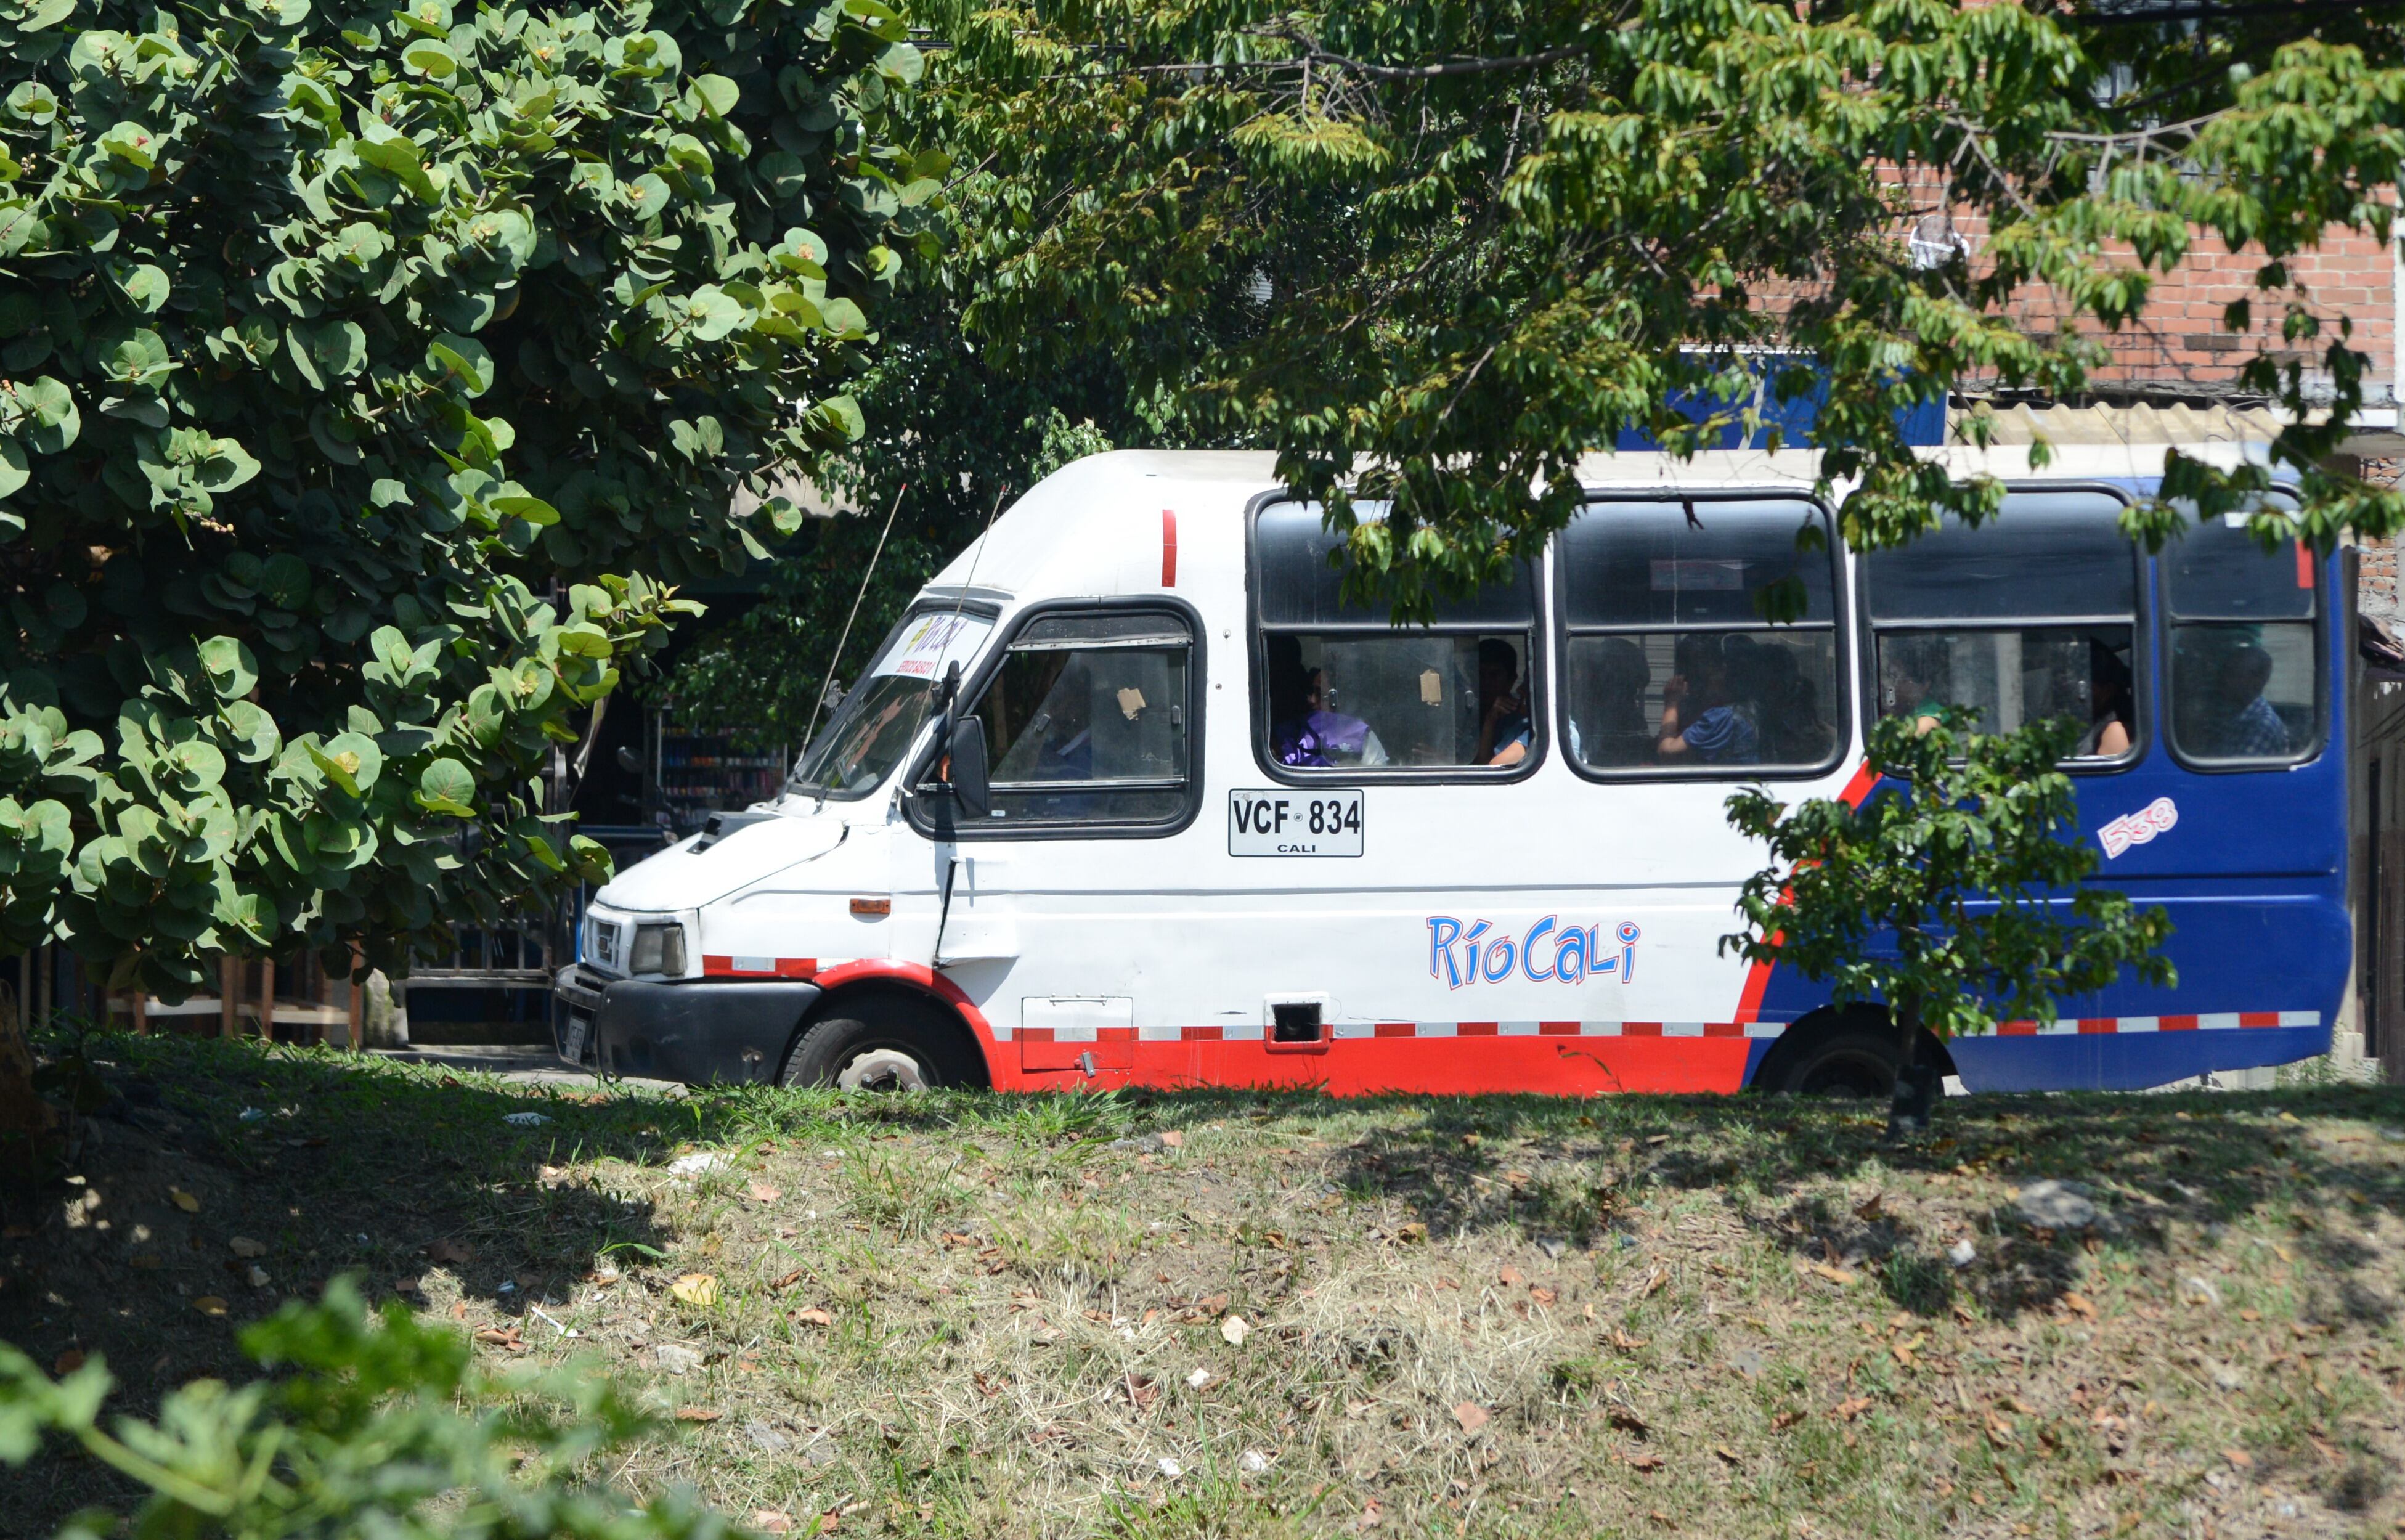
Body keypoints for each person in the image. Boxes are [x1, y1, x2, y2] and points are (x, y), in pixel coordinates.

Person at [1268, 635, 1388, 767]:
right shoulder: (1285, 735)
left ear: (1338, 699)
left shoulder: (1362, 738)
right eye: (1310, 692)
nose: (1311, 700)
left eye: (1320, 694)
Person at [1656, 634, 1759, 763]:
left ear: (1724, 672)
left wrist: (1671, 704)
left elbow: (1667, 753)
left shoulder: (1721, 718)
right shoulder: (1749, 705)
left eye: (1707, 675)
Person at [2202, 640, 2287, 757]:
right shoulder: (2235, 715)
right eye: (2225, 673)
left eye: (2234, 674)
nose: (2225, 680)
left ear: (2257, 681)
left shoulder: (2262, 725)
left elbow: (2236, 774)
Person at [1473, 637, 1533, 767]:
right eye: (1480, 675)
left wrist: (1490, 721)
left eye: (1494, 675)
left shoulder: (1519, 722)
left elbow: (1489, 769)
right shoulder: (1462, 712)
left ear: (1511, 680)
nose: (1486, 683)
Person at [2076, 644, 2134, 757]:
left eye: (2088, 689)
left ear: (2108, 690)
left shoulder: (2115, 732)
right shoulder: (2092, 724)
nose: (2080, 697)